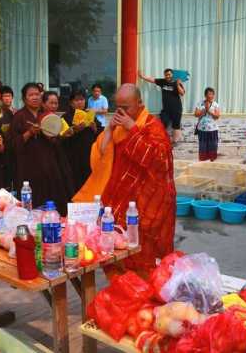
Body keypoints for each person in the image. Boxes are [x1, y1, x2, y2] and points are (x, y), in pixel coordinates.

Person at [74, 83, 176, 275]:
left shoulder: (152, 125)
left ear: (139, 103)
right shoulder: (119, 126)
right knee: (118, 252)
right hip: (121, 200)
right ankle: (123, 292)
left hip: (148, 204)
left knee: (144, 254)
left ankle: (145, 294)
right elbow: (102, 155)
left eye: (126, 107)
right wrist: (109, 130)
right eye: (117, 107)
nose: (121, 112)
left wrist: (133, 129)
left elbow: (159, 161)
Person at [11, 83, 74, 215]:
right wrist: (29, 132)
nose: (35, 97)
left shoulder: (47, 115)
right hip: (28, 166)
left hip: (48, 164)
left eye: (37, 94)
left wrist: (58, 136)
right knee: (32, 199)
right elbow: (12, 144)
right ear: (24, 98)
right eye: (31, 95)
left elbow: (54, 140)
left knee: (52, 196)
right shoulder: (19, 117)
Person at [62, 90, 99, 192]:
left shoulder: (90, 114)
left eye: (82, 99)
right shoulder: (65, 117)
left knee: (89, 180)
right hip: (73, 156)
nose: (80, 102)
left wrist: (94, 128)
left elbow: (100, 133)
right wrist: (74, 129)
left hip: (88, 154)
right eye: (76, 100)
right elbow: (61, 137)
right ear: (71, 102)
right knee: (75, 182)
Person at [138, 68, 185, 143]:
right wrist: (142, 76)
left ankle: (175, 142)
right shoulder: (162, 82)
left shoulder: (177, 82)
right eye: (166, 75)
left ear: (172, 75)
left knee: (176, 126)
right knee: (163, 124)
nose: (168, 76)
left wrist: (178, 84)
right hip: (166, 110)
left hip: (176, 109)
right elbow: (152, 80)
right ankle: (163, 140)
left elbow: (182, 93)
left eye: (169, 74)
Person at [194, 87, 220, 161]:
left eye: (212, 94)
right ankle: (203, 161)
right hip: (202, 129)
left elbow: (217, 116)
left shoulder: (215, 104)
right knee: (202, 146)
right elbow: (196, 114)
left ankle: (212, 160)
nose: (211, 96)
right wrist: (205, 109)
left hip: (213, 129)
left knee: (213, 146)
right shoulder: (200, 103)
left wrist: (209, 111)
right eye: (209, 94)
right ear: (205, 95)